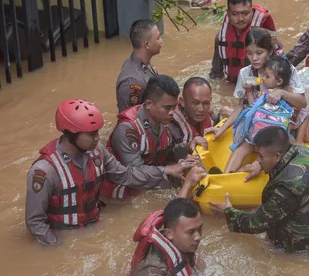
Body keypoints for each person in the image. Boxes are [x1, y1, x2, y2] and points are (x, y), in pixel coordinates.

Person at [25, 99, 194, 245]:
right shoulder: (44, 171)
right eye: (91, 134)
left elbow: (126, 175)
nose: (98, 138)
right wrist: (57, 248)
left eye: (97, 132)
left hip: (93, 226)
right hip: (64, 235)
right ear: (71, 134)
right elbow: (35, 223)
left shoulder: (97, 151)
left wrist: (166, 171)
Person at [209, 126, 309, 253]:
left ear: (277, 156)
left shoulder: (289, 186)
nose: (258, 160)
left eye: (261, 156)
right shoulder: (306, 152)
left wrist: (228, 212)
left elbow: (256, 224)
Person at [204, 27, 307, 173]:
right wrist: (221, 129)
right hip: (258, 120)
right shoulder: (245, 73)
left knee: (270, 147)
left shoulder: (285, 70)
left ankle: (258, 165)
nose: (254, 58)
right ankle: (225, 177)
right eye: (249, 53)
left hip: (280, 123)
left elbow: (303, 103)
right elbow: (240, 107)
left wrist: (281, 92)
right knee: (242, 146)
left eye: (259, 53)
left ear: (270, 51)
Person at [102, 75, 184, 199]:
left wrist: (187, 150)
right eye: (167, 108)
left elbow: (165, 151)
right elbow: (134, 174)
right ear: (149, 104)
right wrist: (167, 169)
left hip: (150, 178)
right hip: (123, 192)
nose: (173, 112)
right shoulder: (127, 129)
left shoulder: (163, 119)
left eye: (174, 106)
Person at [131, 167, 207, 276]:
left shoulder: (177, 234)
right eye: (191, 232)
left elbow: (175, 210)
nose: (198, 237)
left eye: (200, 229)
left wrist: (188, 184)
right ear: (169, 233)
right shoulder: (154, 268)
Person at [209, 0, 282, 83]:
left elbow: (280, 67)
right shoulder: (220, 37)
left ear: (252, 11)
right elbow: (216, 73)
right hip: (233, 84)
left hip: (260, 84)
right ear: (228, 13)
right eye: (235, 14)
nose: (240, 19)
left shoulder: (267, 35)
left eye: (245, 13)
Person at [169, 77, 232, 158]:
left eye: (206, 103)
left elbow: (216, 121)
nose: (201, 109)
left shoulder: (210, 115)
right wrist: (188, 146)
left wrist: (223, 114)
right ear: (183, 102)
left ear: (210, 101)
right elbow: (168, 155)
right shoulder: (171, 126)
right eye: (195, 103)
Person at [116, 20, 162, 113]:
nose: (161, 41)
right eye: (158, 38)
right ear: (147, 44)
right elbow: (129, 119)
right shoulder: (132, 81)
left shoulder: (143, 62)